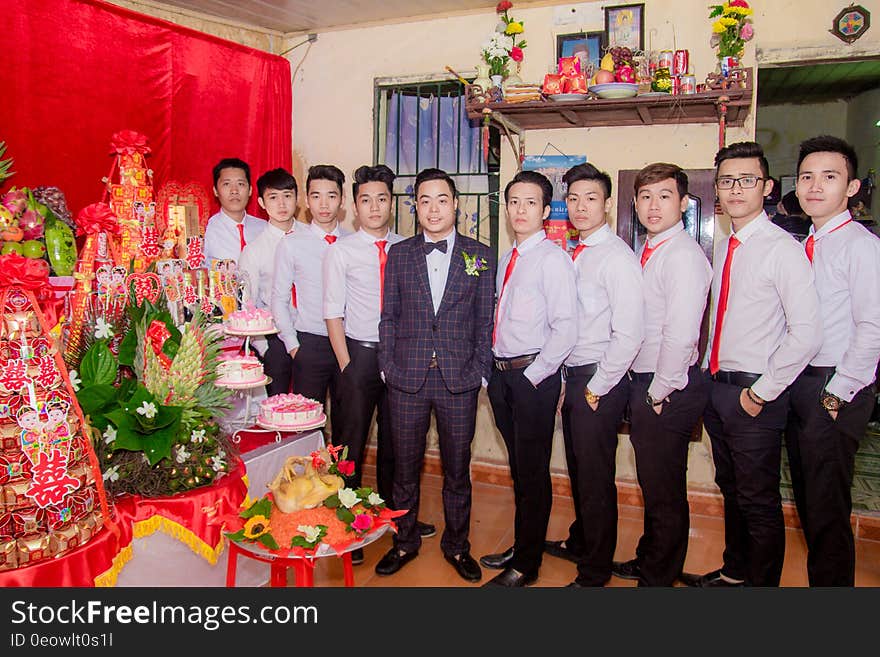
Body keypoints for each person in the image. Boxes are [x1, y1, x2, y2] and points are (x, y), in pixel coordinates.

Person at [681, 141, 821, 587]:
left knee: (759, 501)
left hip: (755, 392)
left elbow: (808, 332)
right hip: (718, 388)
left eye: (747, 179)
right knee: (732, 490)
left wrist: (762, 392)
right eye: (727, 180)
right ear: (717, 191)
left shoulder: (782, 249)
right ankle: (735, 572)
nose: (736, 188)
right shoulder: (725, 246)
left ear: (766, 188)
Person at [374, 168, 495, 582]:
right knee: (404, 470)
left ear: (456, 204)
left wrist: (480, 373)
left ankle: (457, 547)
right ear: (415, 207)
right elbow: (388, 316)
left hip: (459, 380)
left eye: (441, 199)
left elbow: (484, 322)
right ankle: (403, 541)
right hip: (406, 378)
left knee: (457, 471)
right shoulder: (401, 254)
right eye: (424, 201)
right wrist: (387, 366)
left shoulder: (479, 254)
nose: (433, 208)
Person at [323, 164, 435, 564]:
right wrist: (348, 365)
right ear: (355, 207)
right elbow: (332, 313)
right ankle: (345, 522)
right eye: (366, 200)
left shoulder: (409, 248)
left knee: (399, 443)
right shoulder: (342, 251)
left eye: (382, 199)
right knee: (349, 444)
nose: (374, 207)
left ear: (392, 204)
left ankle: (395, 517)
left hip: (403, 355)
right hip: (360, 354)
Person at [785, 135, 880, 586]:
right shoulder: (805, 243)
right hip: (800, 382)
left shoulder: (860, 246)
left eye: (830, 176)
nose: (815, 186)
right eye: (807, 176)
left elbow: (873, 327)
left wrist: (837, 393)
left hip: (836, 384)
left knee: (826, 505)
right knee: (809, 497)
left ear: (852, 187)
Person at [611, 163, 711, 587]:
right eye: (646, 197)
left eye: (665, 196)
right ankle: (651, 559)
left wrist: (657, 392)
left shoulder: (684, 256)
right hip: (648, 382)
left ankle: (659, 576)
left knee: (665, 489)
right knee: (654, 482)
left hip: (666, 386)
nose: (654, 206)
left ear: (684, 203)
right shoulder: (647, 250)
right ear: (634, 204)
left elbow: (683, 334)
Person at [544, 163, 644, 587]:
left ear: (607, 203)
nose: (581, 207)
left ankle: (595, 570)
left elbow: (630, 332)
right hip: (576, 374)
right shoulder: (574, 251)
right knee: (580, 470)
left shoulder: (615, 257)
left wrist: (597, 387)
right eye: (573, 199)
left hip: (600, 377)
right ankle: (581, 541)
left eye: (591, 199)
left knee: (596, 477)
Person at [480, 170, 577, 587]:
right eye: (514, 202)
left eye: (531, 203)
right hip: (502, 377)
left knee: (533, 472)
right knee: (519, 469)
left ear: (545, 210)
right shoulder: (507, 258)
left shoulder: (553, 259)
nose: (521, 210)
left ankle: (528, 565)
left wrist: (537, 376)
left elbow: (567, 327)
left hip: (533, 376)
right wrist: (491, 373)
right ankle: (522, 546)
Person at [270, 165, 350, 405]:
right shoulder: (291, 244)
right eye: (316, 196)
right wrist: (294, 346)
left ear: (342, 200)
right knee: (307, 419)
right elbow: (279, 298)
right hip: (310, 342)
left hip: (349, 341)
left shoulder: (353, 242)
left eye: (331, 196)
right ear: (306, 200)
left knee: (348, 418)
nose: (324, 205)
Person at [237, 168, 298, 396]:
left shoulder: (310, 238)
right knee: (278, 407)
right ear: (262, 202)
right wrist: (264, 347)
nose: (281, 204)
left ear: (297, 199)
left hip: (312, 332)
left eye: (287, 196)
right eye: (273, 197)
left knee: (310, 406)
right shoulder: (253, 251)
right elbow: (247, 303)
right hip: (275, 338)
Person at [203, 157, 266, 265]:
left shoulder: (264, 229)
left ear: (250, 190)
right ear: (215, 191)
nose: (234, 191)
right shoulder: (206, 231)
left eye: (240, 184)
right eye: (226, 184)